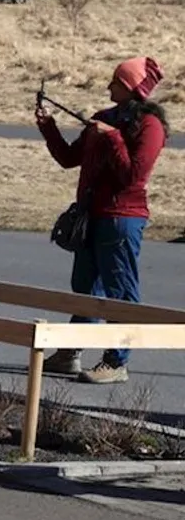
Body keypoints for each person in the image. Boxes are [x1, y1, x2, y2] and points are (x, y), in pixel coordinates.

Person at [38, 57, 168, 383]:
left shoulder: (149, 126)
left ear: (130, 88)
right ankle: (70, 353)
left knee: (120, 291)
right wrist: (49, 127)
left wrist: (112, 139)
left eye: (116, 82)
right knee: (84, 288)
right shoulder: (104, 118)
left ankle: (116, 361)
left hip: (122, 219)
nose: (109, 86)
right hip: (90, 216)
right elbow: (69, 159)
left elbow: (132, 176)